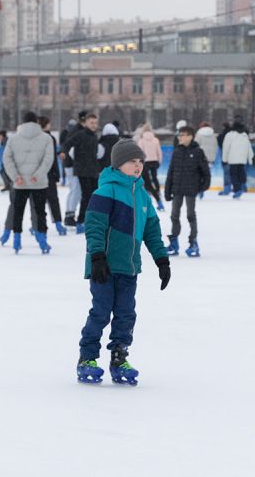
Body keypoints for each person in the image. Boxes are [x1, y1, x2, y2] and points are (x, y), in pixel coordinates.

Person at [76, 140, 170, 386]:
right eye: (132, 161)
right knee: (100, 313)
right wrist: (96, 257)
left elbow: (152, 230)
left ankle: (119, 356)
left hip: (129, 268)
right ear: (118, 164)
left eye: (140, 161)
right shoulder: (105, 192)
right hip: (104, 267)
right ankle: (87, 357)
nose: (138, 166)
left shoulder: (142, 195)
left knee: (126, 315)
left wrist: (161, 260)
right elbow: (94, 227)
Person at [1, 111, 54, 254]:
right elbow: (48, 159)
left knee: (18, 211)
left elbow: (7, 158)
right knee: (40, 212)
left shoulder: (13, 138)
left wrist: (15, 176)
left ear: (23, 122)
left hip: (20, 182)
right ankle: (42, 240)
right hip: (39, 183)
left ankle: (16, 239)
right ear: (37, 121)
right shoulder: (46, 138)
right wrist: (38, 175)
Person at [163, 125, 211, 257]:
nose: (180, 137)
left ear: (190, 136)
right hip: (177, 189)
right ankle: (174, 243)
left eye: (182, 135)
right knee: (174, 215)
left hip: (191, 189)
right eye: (179, 135)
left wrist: (202, 187)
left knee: (190, 215)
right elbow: (171, 172)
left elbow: (206, 172)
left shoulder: (198, 152)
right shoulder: (176, 151)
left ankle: (193, 242)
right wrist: (167, 190)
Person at [66, 111, 102, 232]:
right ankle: (81, 221)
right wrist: (62, 152)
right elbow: (68, 143)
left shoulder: (94, 136)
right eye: (91, 123)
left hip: (92, 171)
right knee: (86, 196)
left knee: (93, 196)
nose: (93, 125)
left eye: (95, 123)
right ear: (85, 123)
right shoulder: (80, 134)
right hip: (82, 171)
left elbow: (95, 155)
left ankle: (88, 220)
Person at [38, 116, 66, 235]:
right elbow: (52, 158)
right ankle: (57, 223)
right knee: (51, 199)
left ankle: (39, 223)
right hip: (47, 173)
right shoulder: (48, 138)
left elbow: (52, 155)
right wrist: (55, 173)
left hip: (40, 174)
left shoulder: (45, 138)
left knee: (40, 201)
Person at [134, 123, 163, 211]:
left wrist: (138, 164)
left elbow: (139, 153)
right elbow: (159, 152)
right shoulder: (155, 140)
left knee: (145, 183)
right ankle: (158, 197)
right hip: (154, 161)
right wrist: (159, 161)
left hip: (145, 162)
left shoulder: (141, 140)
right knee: (154, 178)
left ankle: (145, 203)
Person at [221, 120, 252, 198]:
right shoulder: (244, 135)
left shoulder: (229, 135)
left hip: (233, 159)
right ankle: (242, 187)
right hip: (242, 159)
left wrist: (224, 159)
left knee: (233, 175)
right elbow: (249, 148)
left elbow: (226, 147)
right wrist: (250, 159)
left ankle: (237, 190)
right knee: (241, 173)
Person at [195, 122, 218, 199]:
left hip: (200, 158)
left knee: (198, 174)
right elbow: (215, 146)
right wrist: (213, 158)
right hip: (210, 158)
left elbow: (195, 145)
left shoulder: (199, 134)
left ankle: (199, 189)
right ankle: (202, 189)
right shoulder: (213, 135)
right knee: (206, 175)